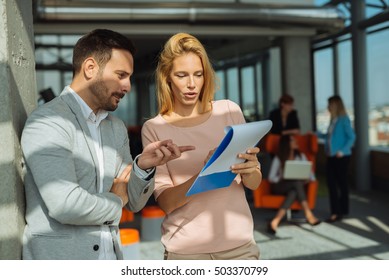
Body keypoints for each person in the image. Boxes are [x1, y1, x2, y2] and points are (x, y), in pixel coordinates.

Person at [21, 29, 194, 260]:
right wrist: (116, 200)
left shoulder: (115, 127)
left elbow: (133, 203)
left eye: (129, 77)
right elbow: (65, 205)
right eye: (121, 75)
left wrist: (143, 166)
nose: (127, 86)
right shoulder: (48, 122)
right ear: (90, 68)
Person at [141, 32, 262, 260]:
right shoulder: (154, 128)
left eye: (198, 74)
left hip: (239, 248)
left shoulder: (229, 111)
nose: (191, 84)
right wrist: (204, 175)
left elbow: (254, 184)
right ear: (167, 77)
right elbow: (166, 203)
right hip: (186, 253)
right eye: (181, 75)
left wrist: (251, 169)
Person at [267, 134, 321, 234]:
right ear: (287, 144)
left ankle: (275, 221)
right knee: (296, 183)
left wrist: (308, 179)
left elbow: (311, 175)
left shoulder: (301, 156)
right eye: (293, 141)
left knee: (294, 190)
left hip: (295, 186)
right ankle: (308, 214)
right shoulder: (279, 158)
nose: (296, 142)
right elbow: (271, 177)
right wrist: (281, 176)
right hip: (280, 186)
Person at [319, 95, 356, 223]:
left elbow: (351, 137)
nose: (328, 107)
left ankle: (339, 212)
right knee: (331, 183)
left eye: (329, 104)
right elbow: (329, 137)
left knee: (341, 184)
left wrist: (342, 151)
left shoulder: (343, 119)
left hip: (341, 157)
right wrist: (316, 134)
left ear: (335, 105)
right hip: (331, 156)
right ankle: (338, 211)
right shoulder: (333, 120)